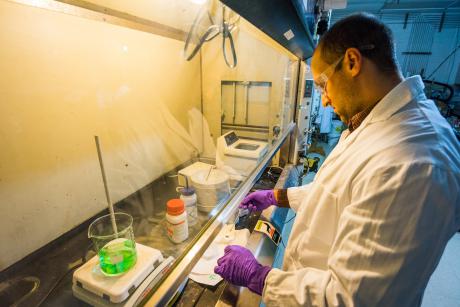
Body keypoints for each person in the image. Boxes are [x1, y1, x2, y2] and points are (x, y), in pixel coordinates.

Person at [214, 12, 460, 306]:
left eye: (322, 84)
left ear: (352, 62)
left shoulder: (412, 163)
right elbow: (342, 194)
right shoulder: (380, 123)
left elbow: (353, 299)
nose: (325, 100)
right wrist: (277, 196)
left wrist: (260, 277)